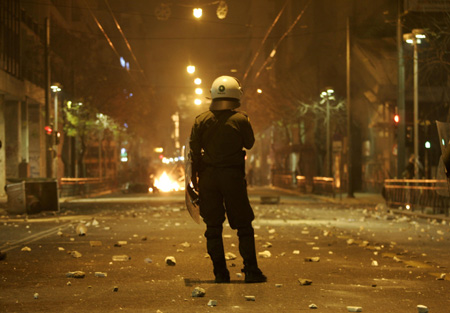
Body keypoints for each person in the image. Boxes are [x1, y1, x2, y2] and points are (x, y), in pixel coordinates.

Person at [189, 75, 267, 284]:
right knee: (244, 225)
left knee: (213, 227)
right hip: (232, 177)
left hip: (208, 178)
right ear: (236, 95)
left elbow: (194, 154)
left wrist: (195, 182)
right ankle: (251, 271)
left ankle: (220, 274)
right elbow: (249, 144)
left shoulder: (200, 120)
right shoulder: (241, 119)